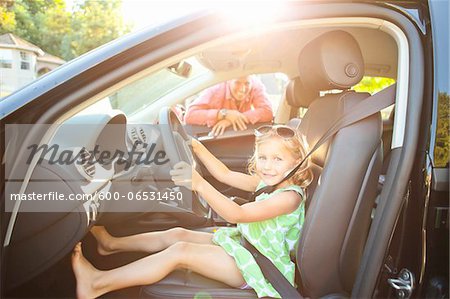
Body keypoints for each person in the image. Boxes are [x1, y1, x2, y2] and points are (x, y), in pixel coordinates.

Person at [72, 125, 313, 299]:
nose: (267, 166)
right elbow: (225, 175)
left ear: (296, 163)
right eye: (262, 157)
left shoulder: (289, 198)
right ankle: (111, 244)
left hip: (259, 267)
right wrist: (196, 146)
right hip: (246, 246)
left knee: (180, 252)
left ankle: (97, 284)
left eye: (277, 159)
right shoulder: (267, 183)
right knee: (178, 234)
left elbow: (237, 215)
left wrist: (198, 183)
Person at [184, 76, 273, 136]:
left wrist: (234, 118)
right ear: (228, 81)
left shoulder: (256, 85)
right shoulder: (216, 89)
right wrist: (224, 114)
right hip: (217, 137)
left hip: (240, 134)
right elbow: (190, 116)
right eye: (237, 83)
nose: (242, 89)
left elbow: (267, 112)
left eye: (247, 84)